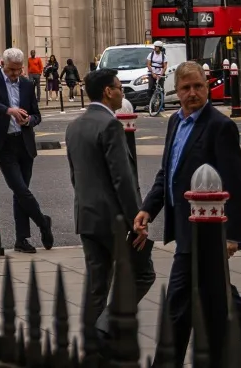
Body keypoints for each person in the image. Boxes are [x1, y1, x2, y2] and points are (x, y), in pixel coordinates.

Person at [134, 63, 241, 366]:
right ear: (177, 91)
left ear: (207, 86)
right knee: (219, 300)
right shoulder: (174, 122)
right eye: (185, 88)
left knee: (179, 303)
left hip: (208, 231)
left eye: (197, 86)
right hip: (186, 226)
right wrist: (148, 208)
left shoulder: (220, 126)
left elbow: (234, 183)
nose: (192, 93)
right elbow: (168, 172)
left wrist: (233, 235)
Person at [67, 67, 155, 355]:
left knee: (97, 285)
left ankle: (93, 347)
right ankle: (105, 327)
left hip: (87, 218)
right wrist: (136, 220)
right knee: (143, 274)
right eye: (119, 87)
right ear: (107, 91)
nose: (122, 92)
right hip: (116, 221)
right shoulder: (110, 125)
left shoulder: (74, 126)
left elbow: (75, 176)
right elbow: (123, 179)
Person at [0, 49, 56, 252]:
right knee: (19, 188)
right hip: (5, 144)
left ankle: (21, 240)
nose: (15, 74)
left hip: (24, 142)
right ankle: (43, 223)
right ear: (3, 64)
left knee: (21, 193)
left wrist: (29, 120)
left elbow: (37, 115)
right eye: (12, 70)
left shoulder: (27, 84)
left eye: (19, 70)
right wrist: (7, 110)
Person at [146, 42, 170, 115]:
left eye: (157, 47)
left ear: (160, 48)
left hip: (160, 74)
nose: (155, 48)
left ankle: (162, 105)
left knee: (161, 88)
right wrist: (153, 73)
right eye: (155, 46)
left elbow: (165, 66)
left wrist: (161, 74)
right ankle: (149, 104)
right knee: (150, 87)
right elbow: (148, 64)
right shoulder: (151, 55)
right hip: (152, 73)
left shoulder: (163, 56)